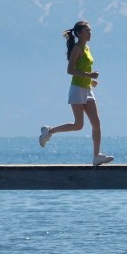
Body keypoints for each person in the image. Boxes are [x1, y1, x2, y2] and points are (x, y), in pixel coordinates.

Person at [39, 21, 114, 166]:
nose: (90, 33)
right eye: (87, 30)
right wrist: (90, 76)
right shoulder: (77, 49)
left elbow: (82, 68)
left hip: (87, 89)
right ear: (79, 33)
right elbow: (70, 70)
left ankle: (97, 156)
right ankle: (49, 131)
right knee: (78, 125)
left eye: (90, 30)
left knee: (96, 123)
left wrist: (90, 81)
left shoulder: (87, 48)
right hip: (77, 89)